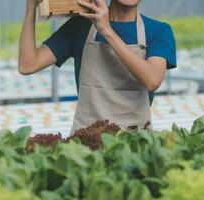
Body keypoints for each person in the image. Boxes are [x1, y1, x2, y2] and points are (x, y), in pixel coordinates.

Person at [19, 0, 177, 133]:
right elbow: (28, 65)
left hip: (135, 141)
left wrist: (107, 30)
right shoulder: (80, 26)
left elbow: (152, 80)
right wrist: (31, 7)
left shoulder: (159, 31)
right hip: (87, 140)